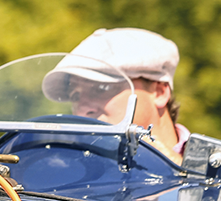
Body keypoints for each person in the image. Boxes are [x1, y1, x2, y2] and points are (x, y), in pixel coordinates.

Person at [42, 27, 189, 163]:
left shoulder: (210, 169)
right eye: (75, 96)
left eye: (102, 88)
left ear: (159, 93)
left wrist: (184, 169)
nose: (83, 109)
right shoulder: (66, 171)